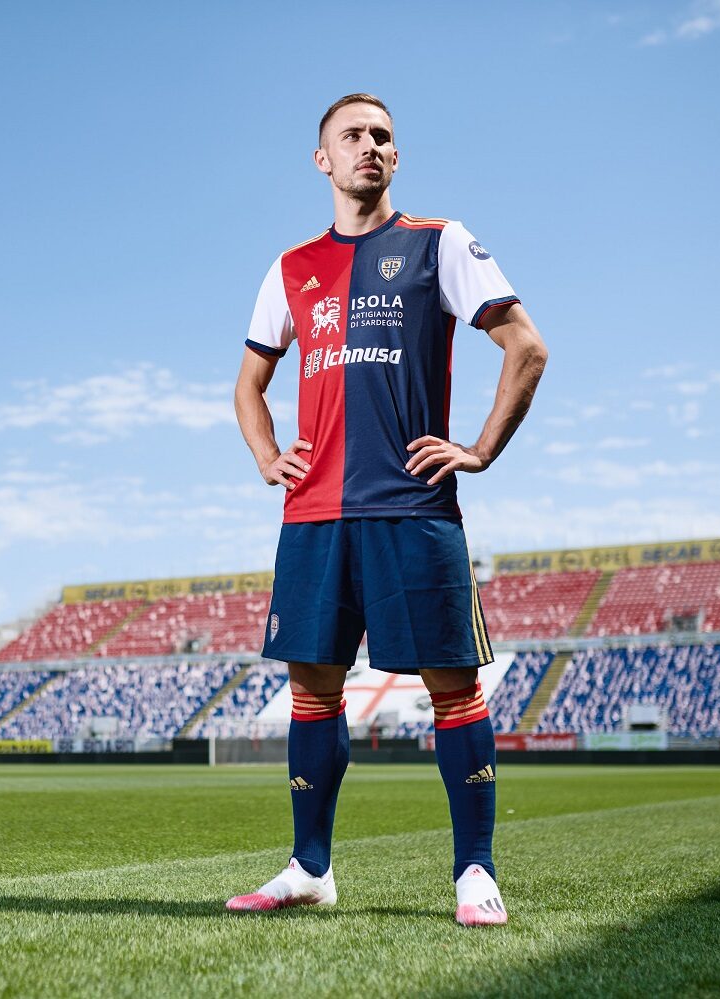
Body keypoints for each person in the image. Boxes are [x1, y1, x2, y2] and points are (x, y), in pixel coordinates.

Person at [228, 93, 548, 926]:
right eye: (352, 135)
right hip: (314, 514)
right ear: (323, 159)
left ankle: (474, 870)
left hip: (414, 506)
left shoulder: (439, 243)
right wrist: (267, 455)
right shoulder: (291, 267)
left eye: (383, 136)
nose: (369, 145)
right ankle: (310, 866)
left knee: (453, 686)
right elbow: (250, 382)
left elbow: (526, 346)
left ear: (395, 157)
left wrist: (479, 448)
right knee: (311, 687)